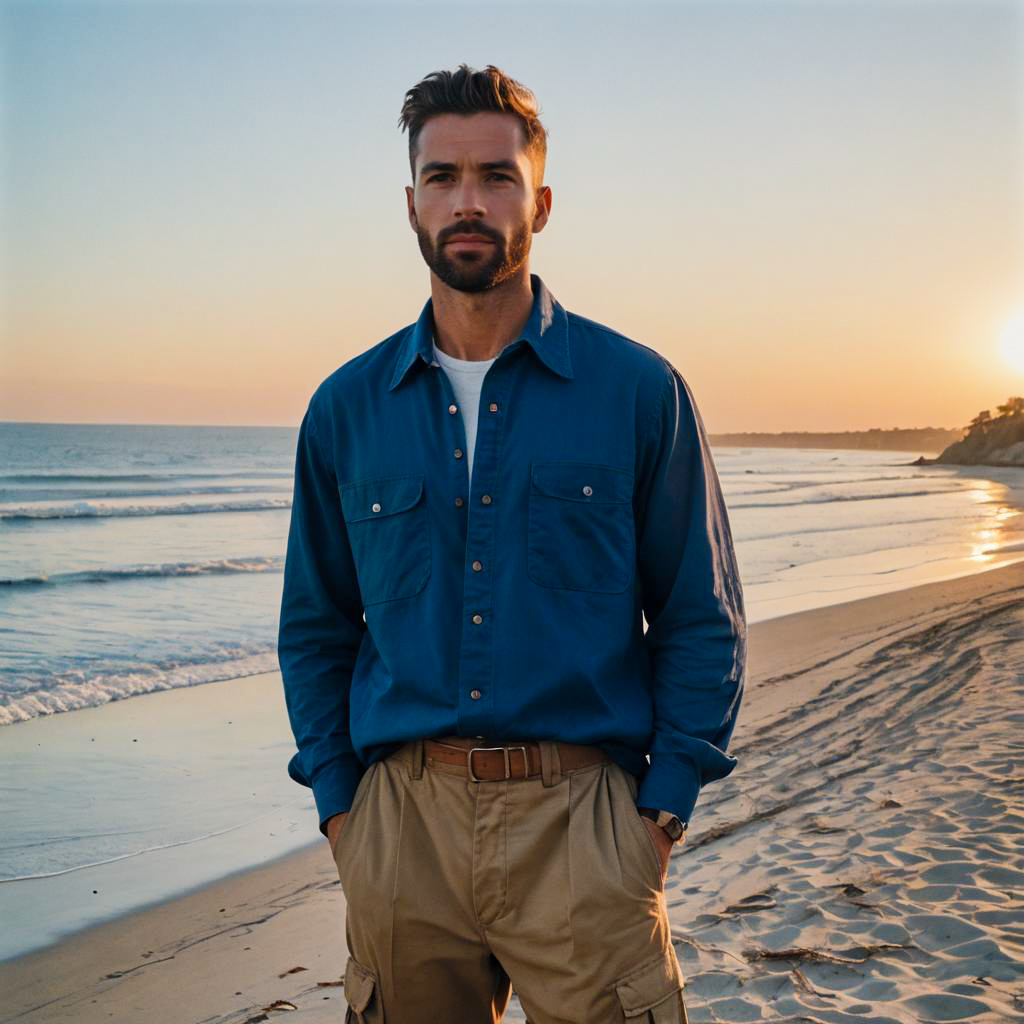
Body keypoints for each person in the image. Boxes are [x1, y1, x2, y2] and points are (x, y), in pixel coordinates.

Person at [278, 62, 747, 1024]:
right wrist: (342, 810)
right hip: (401, 828)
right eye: (443, 177)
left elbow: (702, 615)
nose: (468, 201)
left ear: (540, 200)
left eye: (495, 177)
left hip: (585, 825)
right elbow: (316, 626)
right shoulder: (346, 408)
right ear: (410, 202)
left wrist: (658, 815)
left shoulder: (637, 390)